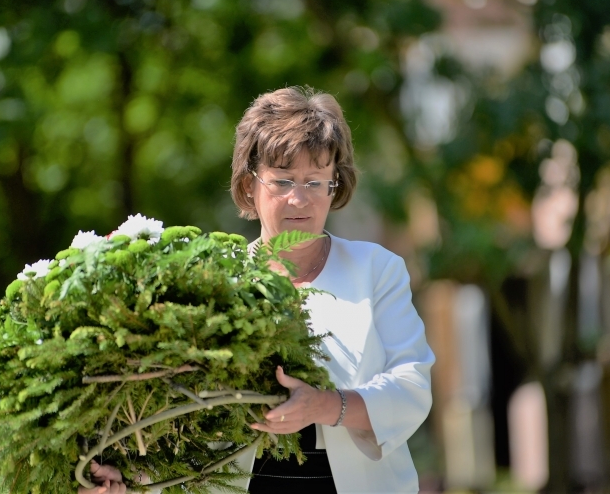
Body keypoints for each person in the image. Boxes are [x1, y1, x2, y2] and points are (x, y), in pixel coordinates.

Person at [82, 86, 435, 493]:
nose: (299, 198)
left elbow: (411, 387)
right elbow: (181, 418)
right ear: (250, 185)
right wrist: (131, 480)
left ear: (335, 186)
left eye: (315, 182)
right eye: (282, 181)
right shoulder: (215, 282)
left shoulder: (378, 270)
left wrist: (323, 405)